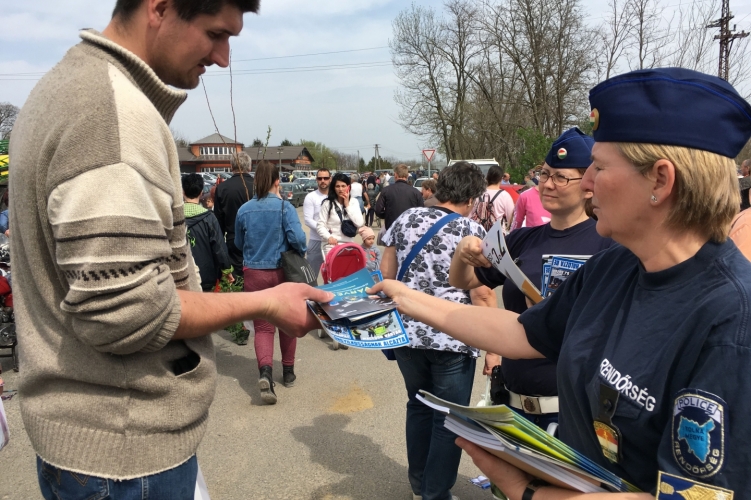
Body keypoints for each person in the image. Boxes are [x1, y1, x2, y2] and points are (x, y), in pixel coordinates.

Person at [372, 68, 751, 498]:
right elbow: (522, 332)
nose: (586, 183)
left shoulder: (731, 319)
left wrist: (527, 493)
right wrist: (407, 298)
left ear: (660, 181)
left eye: (599, 167)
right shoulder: (615, 267)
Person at [9, 1, 333, 497]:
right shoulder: (112, 117)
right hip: (123, 451)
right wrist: (267, 302)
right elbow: (127, 311)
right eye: (216, 34)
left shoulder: (68, 89)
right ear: (159, 8)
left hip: (98, 442)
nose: (223, 58)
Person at [451, 128, 613, 434]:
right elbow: (464, 281)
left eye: (561, 177)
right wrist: (461, 253)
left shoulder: (608, 244)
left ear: (588, 185)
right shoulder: (522, 239)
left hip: (571, 411)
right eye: (544, 174)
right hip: (514, 403)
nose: (547, 184)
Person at [380, 161, 493, 500]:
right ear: (471, 197)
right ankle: (436, 493)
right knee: (450, 418)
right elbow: (482, 293)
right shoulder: (472, 232)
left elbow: (387, 273)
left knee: (417, 405)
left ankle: (420, 486)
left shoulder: (406, 218)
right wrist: (494, 348)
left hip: (406, 332)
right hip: (452, 335)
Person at [235, 160, 308, 404]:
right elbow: (298, 239)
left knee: (263, 328)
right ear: (278, 181)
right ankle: (288, 371)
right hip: (281, 273)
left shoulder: (244, 210)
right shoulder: (285, 208)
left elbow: (238, 243)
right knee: (287, 323)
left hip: (254, 274)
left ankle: (265, 372)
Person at [182, 174, 233, 292]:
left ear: (183, 191)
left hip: (180, 274)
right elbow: (219, 246)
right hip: (206, 275)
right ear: (201, 192)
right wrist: (226, 270)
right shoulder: (209, 218)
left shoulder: (174, 218)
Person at [214, 152, 254, 277]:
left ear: (231, 167)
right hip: (257, 238)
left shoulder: (222, 188)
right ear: (249, 167)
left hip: (233, 239)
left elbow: (218, 221)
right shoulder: (258, 186)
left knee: (237, 278)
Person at [316, 172, 365, 257]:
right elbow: (320, 225)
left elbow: (359, 223)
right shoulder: (327, 204)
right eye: (337, 186)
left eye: (343, 186)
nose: (341, 189)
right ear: (334, 188)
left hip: (349, 244)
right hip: (331, 245)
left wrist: (347, 205)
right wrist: (329, 237)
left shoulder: (353, 202)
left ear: (348, 187)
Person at [375, 164, 424, 236]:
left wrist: (388, 215)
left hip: (392, 229)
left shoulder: (386, 190)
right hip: (410, 231)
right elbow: (421, 212)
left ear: (395, 175)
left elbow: (378, 210)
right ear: (407, 176)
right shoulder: (415, 192)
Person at [303, 168, 331, 280]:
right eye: (320, 178)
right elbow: (308, 220)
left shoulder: (335, 196)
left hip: (333, 242)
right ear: (316, 180)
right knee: (311, 278)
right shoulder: (311, 197)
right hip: (316, 241)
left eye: (325, 178)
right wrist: (325, 232)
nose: (323, 181)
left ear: (330, 179)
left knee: (333, 277)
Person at [470, 165, 515, 233]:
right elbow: (511, 219)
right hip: (497, 234)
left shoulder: (478, 193)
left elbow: (470, 214)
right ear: (501, 179)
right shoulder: (505, 195)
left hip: (478, 233)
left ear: (487, 177)